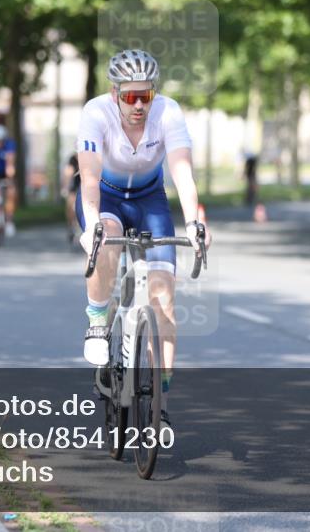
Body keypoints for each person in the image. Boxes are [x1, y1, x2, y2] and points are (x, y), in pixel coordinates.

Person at [76, 49, 212, 424]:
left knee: (164, 301)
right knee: (108, 240)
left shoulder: (169, 112)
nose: (138, 105)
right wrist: (91, 227)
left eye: (145, 96)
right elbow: (88, 177)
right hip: (106, 197)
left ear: (155, 92)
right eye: (129, 96)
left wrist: (193, 223)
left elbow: (182, 171)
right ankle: (99, 323)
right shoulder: (95, 113)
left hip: (150, 199)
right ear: (113, 92)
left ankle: (159, 408)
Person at [61, 153, 81, 245]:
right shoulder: (72, 159)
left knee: (80, 208)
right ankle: (71, 227)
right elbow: (68, 173)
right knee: (70, 207)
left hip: (84, 186)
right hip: (74, 186)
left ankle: (79, 228)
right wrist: (65, 187)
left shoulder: (90, 154)